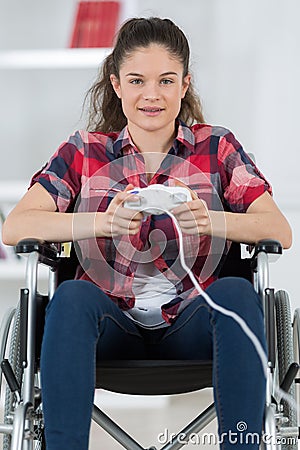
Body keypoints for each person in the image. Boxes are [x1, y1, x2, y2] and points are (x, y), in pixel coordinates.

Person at [2, 16, 292, 450]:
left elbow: (279, 230)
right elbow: (16, 227)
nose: (152, 95)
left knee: (235, 292)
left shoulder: (216, 147)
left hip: (195, 321)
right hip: (109, 325)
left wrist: (212, 219)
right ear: (117, 85)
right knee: (72, 297)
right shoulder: (85, 151)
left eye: (166, 80)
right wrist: (101, 222)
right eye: (137, 80)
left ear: (185, 85)